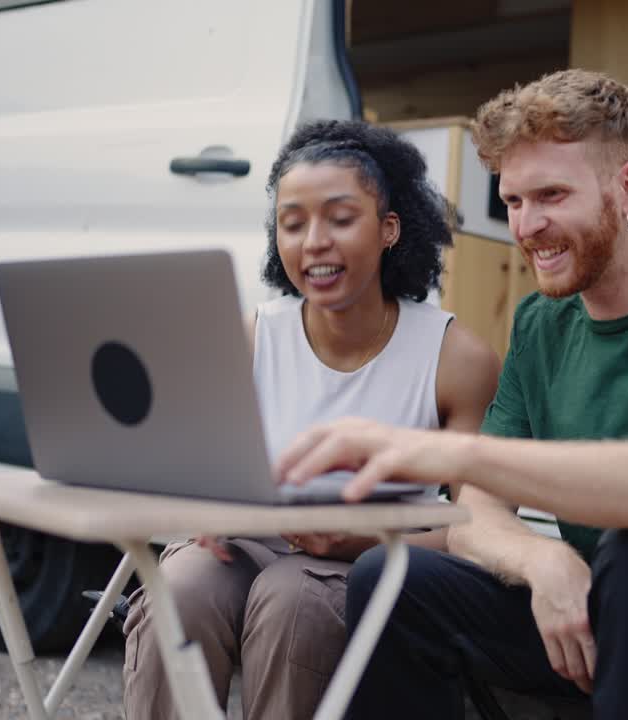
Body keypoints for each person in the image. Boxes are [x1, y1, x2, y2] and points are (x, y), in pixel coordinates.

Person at [275, 70, 628, 719]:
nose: (527, 226)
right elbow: (475, 517)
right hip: (602, 608)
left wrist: (442, 454)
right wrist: (543, 559)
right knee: (391, 575)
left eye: (550, 195)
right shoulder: (541, 325)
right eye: (513, 201)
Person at [122, 119, 500, 720]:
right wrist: (205, 504)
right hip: (244, 547)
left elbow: (474, 526)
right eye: (292, 224)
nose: (313, 242)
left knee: (293, 599)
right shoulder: (254, 335)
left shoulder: (456, 359)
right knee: (181, 591)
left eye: (340, 219)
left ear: (389, 230)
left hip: (367, 560)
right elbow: (199, 466)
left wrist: (365, 538)